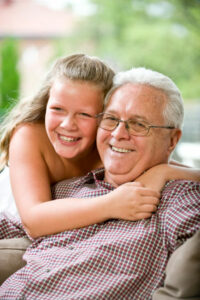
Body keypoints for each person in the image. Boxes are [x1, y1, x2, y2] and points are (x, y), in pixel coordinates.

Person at [0, 67, 199, 299]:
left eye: (138, 124)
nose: (118, 134)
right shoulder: (72, 187)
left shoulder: (179, 200)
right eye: (112, 119)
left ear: (172, 140)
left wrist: (163, 172)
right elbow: (23, 223)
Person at [1, 53, 199, 239]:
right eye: (57, 109)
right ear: (47, 104)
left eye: (85, 114)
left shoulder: (109, 145)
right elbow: (33, 221)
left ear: (103, 116)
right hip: (17, 208)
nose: (67, 125)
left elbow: (189, 172)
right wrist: (112, 204)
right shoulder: (29, 136)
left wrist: (162, 172)